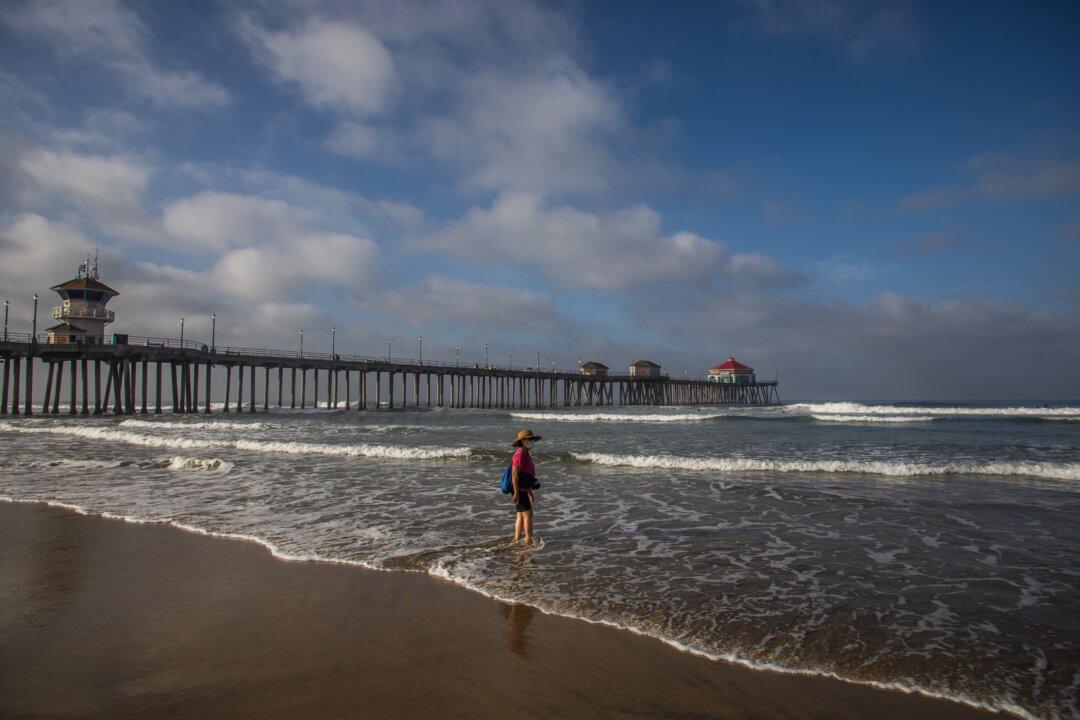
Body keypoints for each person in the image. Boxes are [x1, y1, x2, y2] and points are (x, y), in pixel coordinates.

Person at [510, 428, 541, 544]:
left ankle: (517, 538)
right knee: (528, 514)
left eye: (532, 439)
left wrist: (529, 492)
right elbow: (514, 473)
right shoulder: (521, 454)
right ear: (523, 442)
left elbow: (525, 475)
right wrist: (517, 492)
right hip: (518, 488)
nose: (532, 442)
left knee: (521, 514)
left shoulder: (525, 453)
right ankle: (528, 540)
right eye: (530, 440)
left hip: (522, 488)